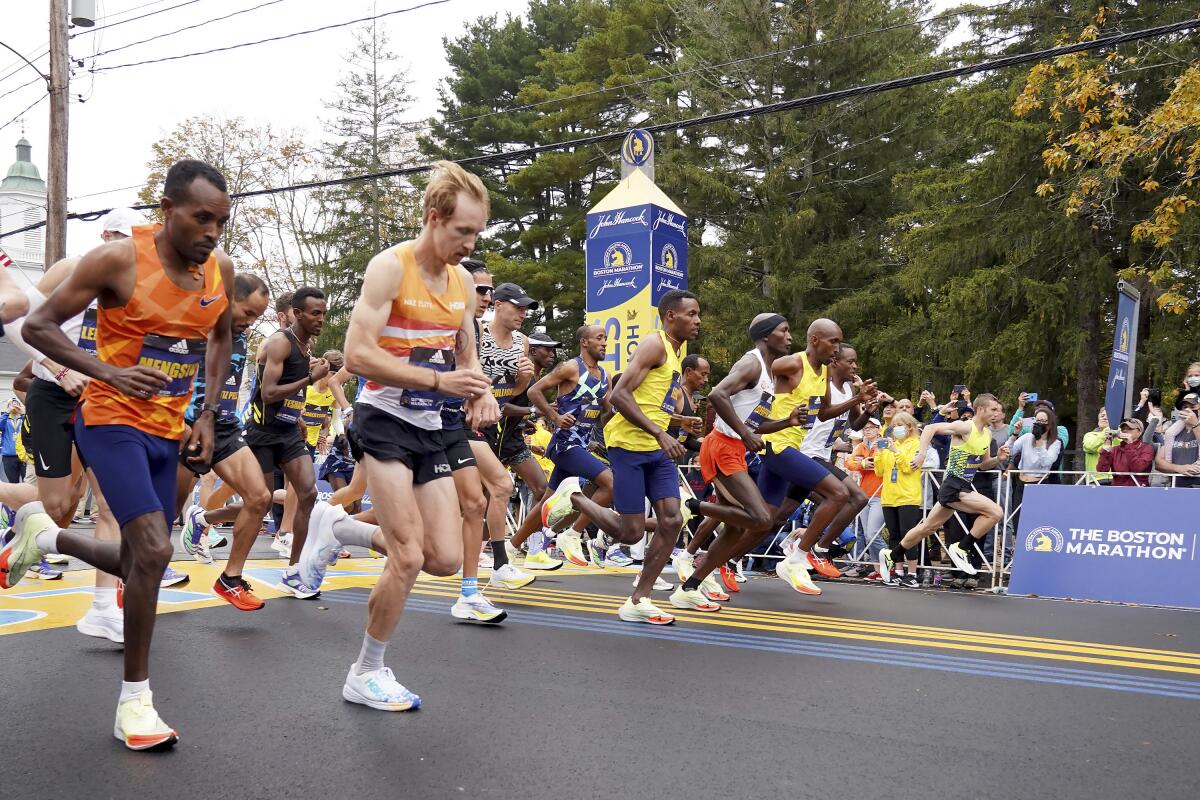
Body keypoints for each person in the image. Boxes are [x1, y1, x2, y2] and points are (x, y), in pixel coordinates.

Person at [4, 159, 235, 750]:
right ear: (169, 211)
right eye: (201, 218)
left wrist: (206, 413)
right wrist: (108, 371)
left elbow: (220, 335)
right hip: (110, 420)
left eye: (221, 222)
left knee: (139, 559)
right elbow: (38, 326)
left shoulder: (220, 271)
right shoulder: (119, 259)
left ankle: (47, 536)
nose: (211, 232)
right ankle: (135, 702)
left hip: (168, 429)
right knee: (156, 551)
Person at [299, 160, 498, 710]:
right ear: (434, 218)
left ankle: (339, 529)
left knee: (443, 558)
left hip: (431, 425)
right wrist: (440, 379)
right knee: (408, 557)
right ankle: (366, 671)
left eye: (478, 232)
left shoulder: (461, 282)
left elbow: (465, 349)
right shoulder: (390, 268)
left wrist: (477, 390)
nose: (470, 243)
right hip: (383, 420)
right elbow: (359, 355)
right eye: (463, 231)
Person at [569, 289, 700, 624]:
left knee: (673, 520)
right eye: (692, 314)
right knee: (630, 533)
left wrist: (676, 422)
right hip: (628, 446)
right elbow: (620, 396)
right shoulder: (654, 344)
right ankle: (573, 498)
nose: (698, 321)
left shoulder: (675, 350)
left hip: (656, 450)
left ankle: (639, 599)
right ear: (671, 316)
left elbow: (651, 402)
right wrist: (660, 432)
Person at [669, 314, 795, 609]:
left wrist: (786, 422)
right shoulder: (751, 363)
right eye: (784, 331)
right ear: (766, 336)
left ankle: (690, 587)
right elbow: (717, 394)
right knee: (763, 519)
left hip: (734, 447)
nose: (790, 337)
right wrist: (744, 434)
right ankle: (692, 507)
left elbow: (754, 424)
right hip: (722, 447)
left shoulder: (767, 372)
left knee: (738, 527)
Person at [174, 273, 272, 609]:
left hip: (223, 425)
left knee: (259, 497)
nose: (251, 322)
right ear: (229, 300)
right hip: (184, 423)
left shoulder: (241, 338)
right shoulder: (194, 325)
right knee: (165, 512)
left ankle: (230, 580)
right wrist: (183, 427)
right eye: (248, 313)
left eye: (258, 317)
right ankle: (133, 577)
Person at [757, 318, 875, 595]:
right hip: (797, 451)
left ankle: (722, 560)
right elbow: (760, 370)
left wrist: (862, 403)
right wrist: (746, 418)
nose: (854, 366)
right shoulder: (795, 364)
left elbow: (833, 417)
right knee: (846, 496)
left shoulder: (831, 382)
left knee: (770, 517)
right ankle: (809, 551)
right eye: (835, 344)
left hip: (802, 452)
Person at [244, 286, 328, 598]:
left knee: (307, 493)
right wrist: (311, 379)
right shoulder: (280, 343)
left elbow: (292, 393)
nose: (320, 319)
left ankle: (294, 573)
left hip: (289, 431)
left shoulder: (308, 346)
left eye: (323, 313)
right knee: (259, 502)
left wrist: (300, 416)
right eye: (314, 313)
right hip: (262, 433)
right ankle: (204, 519)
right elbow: (268, 394)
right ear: (296, 313)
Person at [882, 394, 1008, 580]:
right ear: (981, 409)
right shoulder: (966, 426)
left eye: (998, 410)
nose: (997, 413)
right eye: (993, 409)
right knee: (995, 512)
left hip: (963, 485)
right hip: (953, 484)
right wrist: (922, 454)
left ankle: (891, 555)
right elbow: (931, 428)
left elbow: (983, 464)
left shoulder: (987, 434)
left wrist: (998, 459)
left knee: (927, 528)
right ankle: (962, 547)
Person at [523, 323, 615, 568]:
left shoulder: (605, 377)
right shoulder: (571, 367)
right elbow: (534, 391)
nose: (605, 343)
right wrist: (555, 418)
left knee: (547, 501)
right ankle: (571, 535)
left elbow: (606, 415)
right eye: (599, 338)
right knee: (608, 483)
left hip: (582, 446)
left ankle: (514, 547)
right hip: (565, 444)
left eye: (606, 338)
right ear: (584, 342)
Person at [872, 412, 923, 587]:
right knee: (893, 535)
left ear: (909, 427)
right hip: (889, 497)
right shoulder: (889, 445)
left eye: (900, 424)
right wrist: (879, 453)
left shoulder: (916, 444)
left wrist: (896, 451)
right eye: (894, 425)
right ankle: (898, 571)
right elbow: (879, 471)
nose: (896, 428)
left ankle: (912, 573)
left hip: (908, 496)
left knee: (908, 534)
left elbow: (909, 467)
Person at [845, 417, 885, 575]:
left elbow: (887, 462)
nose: (867, 430)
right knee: (868, 536)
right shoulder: (862, 446)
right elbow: (849, 463)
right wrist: (862, 464)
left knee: (873, 534)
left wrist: (875, 459)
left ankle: (891, 565)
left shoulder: (883, 443)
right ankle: (878, 569)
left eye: (871, 427)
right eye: (865, 428)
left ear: (878, 429)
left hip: (881, 493)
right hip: (865, 495)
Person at [1155, 393, 1200, 488]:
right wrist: (1179, 468)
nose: (1188, 410)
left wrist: (1195, 425)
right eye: (1185, 407)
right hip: (1178, 487)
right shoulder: (1174, 432)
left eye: (1192, 407)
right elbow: (1159, 463)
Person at [1096, 418, 1155, 487]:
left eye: (1130, 429)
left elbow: (1138, 468)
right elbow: (1102, 470)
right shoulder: (1116, 449)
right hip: (1118, 490)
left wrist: (1130, 444)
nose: (1125, 431)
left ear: (1139, 432)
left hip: (1138, 490)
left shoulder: (1146, 448)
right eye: (1123, 429)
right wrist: (1107, 445)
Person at [1082, 408, 1115, 484]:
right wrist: (1105, 433)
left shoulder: (1119, 435)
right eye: (1102, 415)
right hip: (1095, 479)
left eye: (1108, 416)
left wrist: (1116, 432)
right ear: (1098, 418)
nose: (1105, 418)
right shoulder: (1090, 435)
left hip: (1117, 479)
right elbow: (1089, 447)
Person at [1, 399, 25, 483]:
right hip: (9, 457)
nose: (14, 407)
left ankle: (27, 496)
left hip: (24, 457)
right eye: (11, 405)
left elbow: (32, 427)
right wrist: (7, 412)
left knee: (27, 481)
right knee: (13, 482)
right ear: (7, 407)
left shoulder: (23, 419)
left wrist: (23, 413)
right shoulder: (5, 419)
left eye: (16, 404)